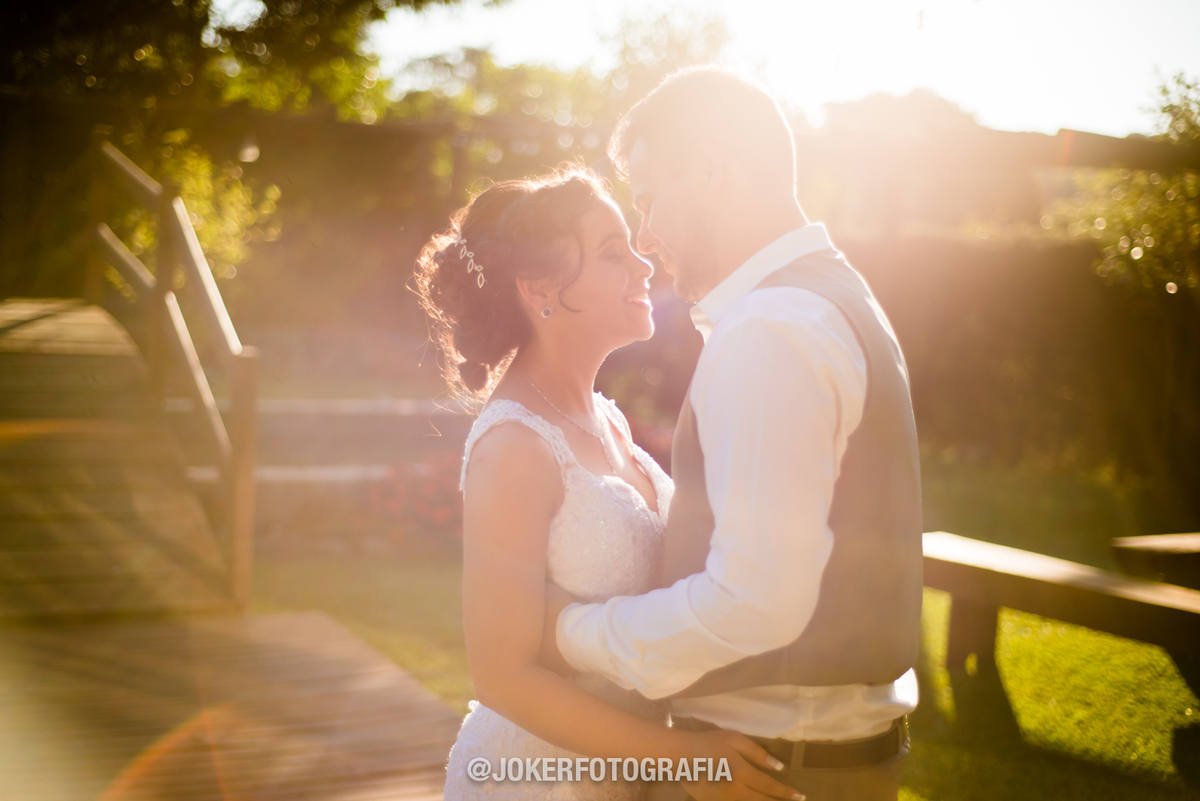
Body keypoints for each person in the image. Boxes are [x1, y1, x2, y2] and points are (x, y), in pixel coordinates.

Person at [540, 68, 924, 801]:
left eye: (648, 199)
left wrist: (568, 632)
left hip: (763, 770)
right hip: (811, 760)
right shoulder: (830, 298)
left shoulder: (771, 328)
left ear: (710, 170)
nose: (644, 238)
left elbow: (755, 600)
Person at [413, 168, 802, 801]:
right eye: (613, 254)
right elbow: (502, 677)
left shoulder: (606, 418)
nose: (644, 264)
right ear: (541, 287)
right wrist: (688, 761)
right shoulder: (515, 446)